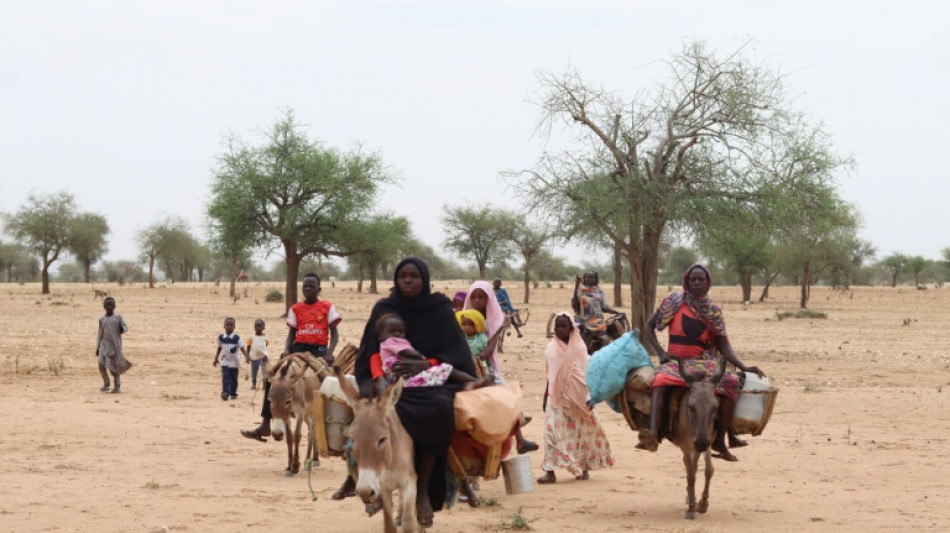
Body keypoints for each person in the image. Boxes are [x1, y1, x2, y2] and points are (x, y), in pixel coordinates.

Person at [342, 257, 480, 527]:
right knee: (366, 422)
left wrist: (425, 364)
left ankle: (423, 491)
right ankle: (368, 480)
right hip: (389, 385)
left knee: (440, 409)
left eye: (413, 276)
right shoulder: (384, 308)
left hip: (429, 385)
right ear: (395, 279)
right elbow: (370, 351)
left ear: (424, 279)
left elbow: (454, 353)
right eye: (402, 276)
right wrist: (378, 380)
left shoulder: (439, 308)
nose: (407, 280)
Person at [640, 264, 765, 462]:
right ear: (686, 282)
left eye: (701, 280)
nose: (697, 283)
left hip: (704, 363)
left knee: (731, 383)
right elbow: (648, 327)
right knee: (659, 381)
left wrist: (743, 367)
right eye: (693, 280)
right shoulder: (672, 302)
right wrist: (661, 353)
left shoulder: (713, 310)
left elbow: (723, 345)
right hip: (676, 362)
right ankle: (653, 435)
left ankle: (721, 440)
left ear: (708, 282)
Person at [241, 273, 340, 441]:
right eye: (305, 286)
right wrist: (287, 350)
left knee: (330, 380)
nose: (308, 289)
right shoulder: (295, 308)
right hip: (297, 347)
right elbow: (291, 334)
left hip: (319, 350)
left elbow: (335, 334)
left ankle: (331, 422)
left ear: (319, 289)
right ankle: (266, 422)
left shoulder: (327, 307)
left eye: (312, 286)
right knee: (271, 379)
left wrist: (330, 352)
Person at [537, 313, 614, 484]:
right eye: (557, 326)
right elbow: (550, 376)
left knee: (582, 434)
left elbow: (587, 373)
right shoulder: (551, 348)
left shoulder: (579, 347)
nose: (560, 329)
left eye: (564, 326)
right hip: (556, 398)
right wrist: (545, 396)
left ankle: (583, 468)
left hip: (579, 398)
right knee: (550, 433)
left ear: (571, 328)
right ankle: (549, 472)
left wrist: (590, 396)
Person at [464, 281, 538, 454]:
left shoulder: (495, 320)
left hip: (485, 367)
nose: (476, 301)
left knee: (505, 398)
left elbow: (490, 348)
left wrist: (477, 357)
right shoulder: (464, 317)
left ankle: (519, 439)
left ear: (489, 299)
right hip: (465, 366)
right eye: (473, 297)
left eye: (481, 297)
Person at [373, 313, 492, 390]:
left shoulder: (389, 342)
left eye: (400, 331)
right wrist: (420, 358)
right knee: (446, 369)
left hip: (404, 380)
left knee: (445, 372)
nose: (397, 334)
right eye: (392, 331)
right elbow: (407, 353)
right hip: (407, 380)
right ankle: (475, 381)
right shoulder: (391, 342)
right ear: (380, 336)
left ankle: (472, 382)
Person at [572, 272, 624, 350]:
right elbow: (575, 304)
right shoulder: (579, 289)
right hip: (581, 318)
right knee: (576, 329)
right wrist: (576, 286)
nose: (589, 279)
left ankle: (603, 352)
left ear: (595, 279)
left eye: (592, 277)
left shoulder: (599, 291)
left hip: (596, 319)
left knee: (603, 333)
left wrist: (618, 313)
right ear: (584, 279)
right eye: (587, 277)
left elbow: (605, 307)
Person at [96, 296, 132, 393]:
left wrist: (122, 329)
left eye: (111, 304)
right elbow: (100, 333)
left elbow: (125, 327)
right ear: (103, 306)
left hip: (114, 347)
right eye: (107, 305)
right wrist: (97, 347)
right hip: (103, 346)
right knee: (101, 364)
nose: (109, 306)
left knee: (113, 367)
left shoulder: (118, 317)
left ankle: (117, 386)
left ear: (115, 306)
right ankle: (106, 383)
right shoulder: (101, 319)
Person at [213, 317, 249, 400]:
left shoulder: (237, 338)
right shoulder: (221, 337)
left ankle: (233, 393)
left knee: (234, 378)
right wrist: (216, 358)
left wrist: (246, 356)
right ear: (224, 326)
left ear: (234, 327)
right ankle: (225, 392)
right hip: (224, 360)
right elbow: (219, 347)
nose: (229, 326)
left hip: (234, 361)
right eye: (227, 324)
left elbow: (242, 348)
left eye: (231, 325)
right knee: (226, 376)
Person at [456, 309, 488, 376]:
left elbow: (486, 351)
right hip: (464, 365)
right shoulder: (459, 337)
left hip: (479, 365)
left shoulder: (482, 338)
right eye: (464, 324)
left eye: (471, 325)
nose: (467, 327)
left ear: (478, 325)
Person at [246, 319, 269, 390]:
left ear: (263, 327)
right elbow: (248, 347)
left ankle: (264, 383)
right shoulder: (251, 337)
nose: (257, 327)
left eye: (259, 326)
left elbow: (266, 345)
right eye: (256, 326)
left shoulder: (265, 337)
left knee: (264, 371)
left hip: (263, 357)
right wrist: (247, 356)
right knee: (254, 371)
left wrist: (265, 353)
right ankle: (254, 383)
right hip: (254, 357)